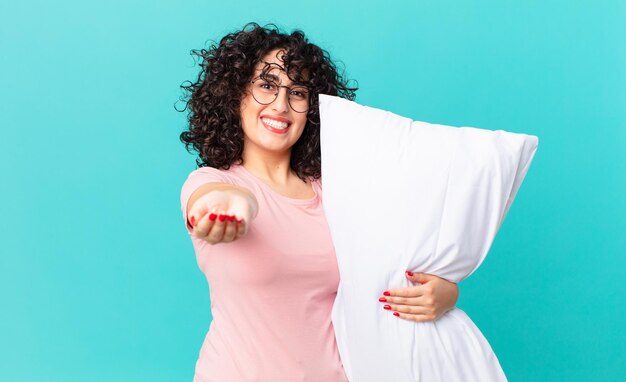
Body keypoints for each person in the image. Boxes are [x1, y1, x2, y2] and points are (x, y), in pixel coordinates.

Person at [178, 23, 460, 381]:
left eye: (297, 92)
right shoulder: (213, 182)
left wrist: (444, 294)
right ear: (236, 94)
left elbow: (391, 272)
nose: (281, 105)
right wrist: (226, 209)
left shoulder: (338, 192)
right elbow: (218, 200)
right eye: (267, 85)